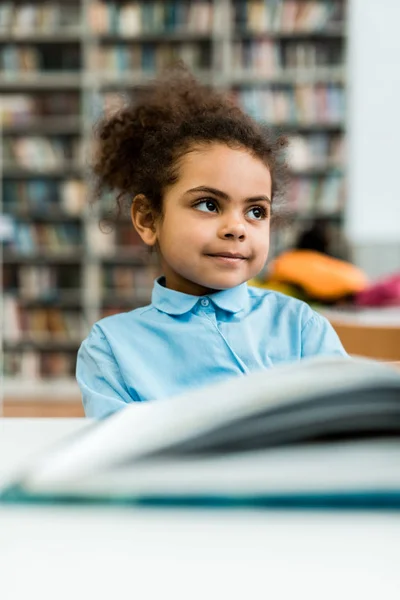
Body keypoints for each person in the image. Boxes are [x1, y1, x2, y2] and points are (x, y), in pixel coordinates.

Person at [77, 66, 347, 419]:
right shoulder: (111, 347)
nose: (237, 228)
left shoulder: (299, 327)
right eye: (209, 204)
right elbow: (118, 460)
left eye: (255, 211)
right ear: (147, 219)